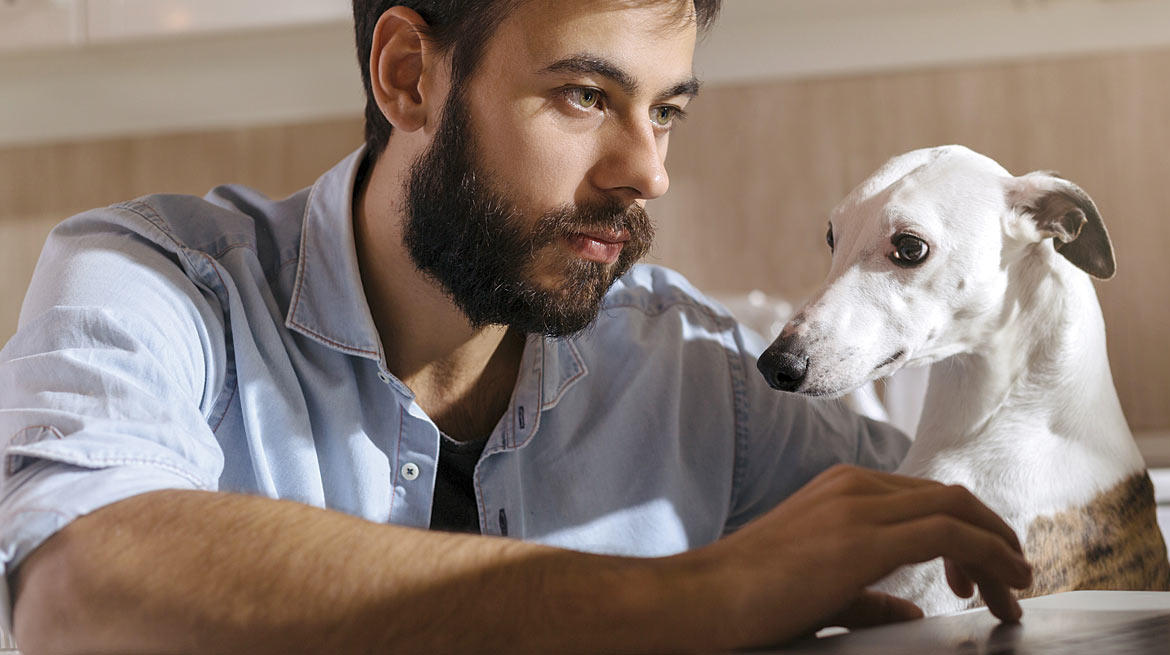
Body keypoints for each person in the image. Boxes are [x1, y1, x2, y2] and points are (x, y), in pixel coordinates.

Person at [0, 1, 1032, 652]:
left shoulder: (697, 375)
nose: (650, 170)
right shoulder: (154, 282)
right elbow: (79, 590)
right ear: (409, 75)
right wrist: (695, 599)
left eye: (666, 110)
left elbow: (968, 534)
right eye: (586, 95)